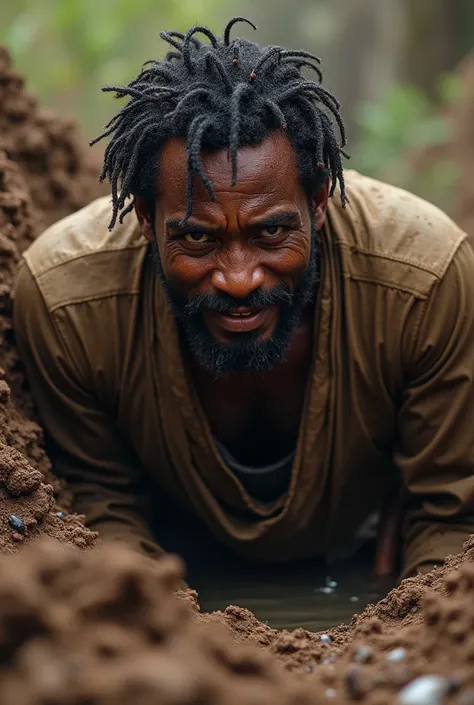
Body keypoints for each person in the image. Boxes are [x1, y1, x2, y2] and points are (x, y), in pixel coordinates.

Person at [13, 18, 474, 580]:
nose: (238, 279)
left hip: (362, 551)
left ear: (321, 201)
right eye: (198, 238)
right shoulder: (69, 303)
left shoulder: (422, 280)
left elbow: (451, 520)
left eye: (271, 234)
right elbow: (100, 507)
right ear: (143, 217)